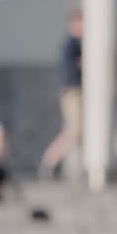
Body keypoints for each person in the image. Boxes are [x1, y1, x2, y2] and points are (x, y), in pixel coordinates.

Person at [38, 11, 84, 179]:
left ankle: (51, 160)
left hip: (75, 91)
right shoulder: (71, 45)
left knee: (74, 130)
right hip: (73, 91)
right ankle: (50, 160)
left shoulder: (75, 44)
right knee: (74, 130)